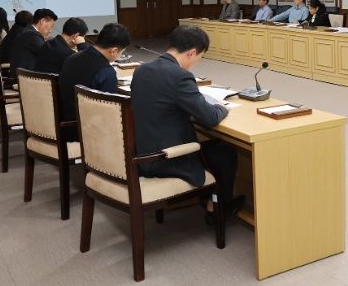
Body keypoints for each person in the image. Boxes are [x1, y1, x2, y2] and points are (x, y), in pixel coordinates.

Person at [131, 25, 244, 221]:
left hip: (142, 152)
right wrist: (221, 107)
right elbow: (210, 118)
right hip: (165, 158)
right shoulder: (180, 76)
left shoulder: (142, 69)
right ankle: (217, 209)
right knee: (224, 152)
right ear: (192, 53)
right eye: (200, 57)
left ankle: (208, 199)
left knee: (211, 145)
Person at [58, 23, 130, 140]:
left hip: (63, 125)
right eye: (121, 53)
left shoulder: (72, 57)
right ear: (113, 51)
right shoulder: (106, 72)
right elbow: (109, 112)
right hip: (88, 134)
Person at [10, 8, 58, 76]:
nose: (50, 31)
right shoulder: (33, 35)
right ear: (42, 21)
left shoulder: (28, 31)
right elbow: (49, 54)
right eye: (51, 26)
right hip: (25, 78)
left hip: (20, 75)